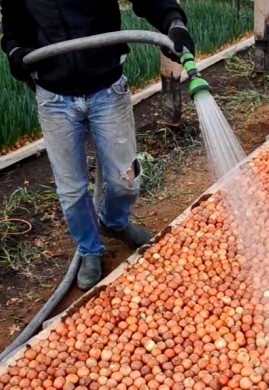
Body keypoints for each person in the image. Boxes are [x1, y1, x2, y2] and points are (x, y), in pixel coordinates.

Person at [0, 0, 195, 290]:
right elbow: (12, 27)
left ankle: (114, 223)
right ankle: (89, 250)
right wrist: (15, 51)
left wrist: (173, 23)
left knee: (125, 179)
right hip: (55, 98)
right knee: (72, 190)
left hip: (107, 90)